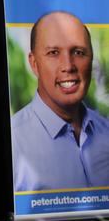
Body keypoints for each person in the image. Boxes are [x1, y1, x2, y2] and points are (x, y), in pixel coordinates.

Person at [12, 11, 109, 191]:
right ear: (34, 64)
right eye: (53, 52)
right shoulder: (14, 142)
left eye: (79, 52)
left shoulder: (107, 131)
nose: (68, 66)